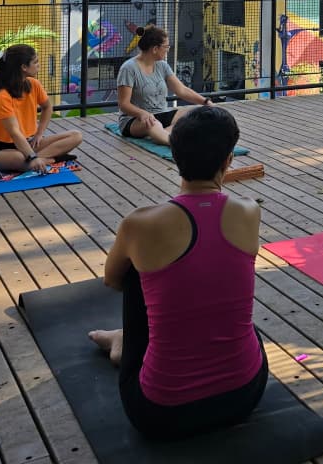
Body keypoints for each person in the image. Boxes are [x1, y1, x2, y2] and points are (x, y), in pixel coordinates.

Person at [88, 107, 268, 441]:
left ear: (173, 155)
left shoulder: (140, 224)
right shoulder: (249, 210)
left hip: (160, 413)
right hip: (244, 395)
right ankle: (127, 340)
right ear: (229, 160)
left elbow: (112, 280)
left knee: (136, 274)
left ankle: (126, 342)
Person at [0, 44, 83, 173]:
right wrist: (32, 156)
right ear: (24, 67)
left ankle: (37, 161)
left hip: (28, 143)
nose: (38, 65)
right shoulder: (0, 95)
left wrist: (39, 134)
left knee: (76, 136)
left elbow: (47, 107)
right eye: (35, 62)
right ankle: (43, 159)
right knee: (19, 158)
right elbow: (14, 132)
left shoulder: (34, 84)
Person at [117, 25, 211, 145]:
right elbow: (124, 104)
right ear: (155, 49)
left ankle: (163, 134)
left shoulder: (162, 65)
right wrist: (142, 113)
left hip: (162, 113)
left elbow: (181, 90)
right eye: (166, 46)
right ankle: (176, 143)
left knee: (197, 113)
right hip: (135, 120)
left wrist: (205, 102)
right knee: (153, 124)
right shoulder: (128, 68)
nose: (168, 49)